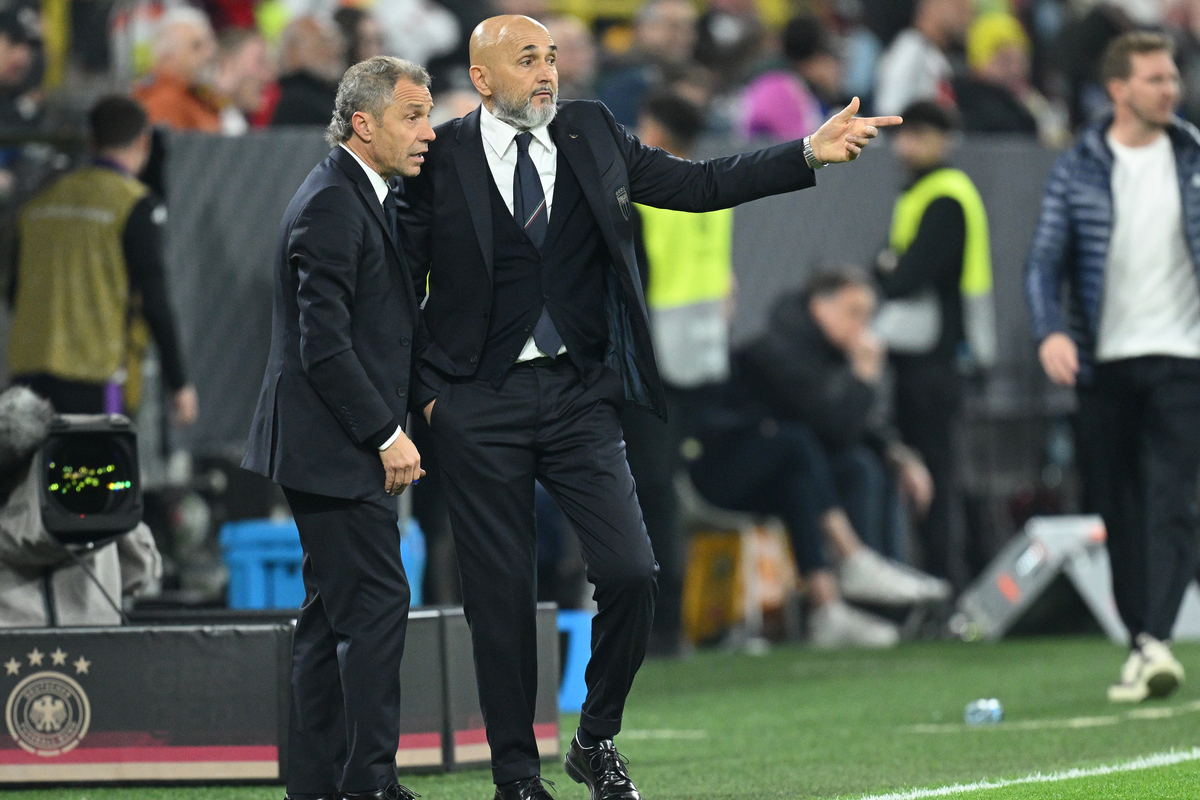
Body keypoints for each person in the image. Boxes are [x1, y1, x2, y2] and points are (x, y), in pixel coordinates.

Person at [401, 14, 900, 800]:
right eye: (526, 59)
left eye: (552, 57)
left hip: (578, 394)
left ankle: (594, 737)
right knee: (499, 598)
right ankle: (517, 779)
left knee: (633, 571)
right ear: (483, 74)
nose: (546, 72)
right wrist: (425, 397)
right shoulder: (439, 155)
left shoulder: (595, 130)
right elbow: (398, 282)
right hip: (477, 401)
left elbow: (697, 187)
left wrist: (806, 152)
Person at [241, 56, 434, 799]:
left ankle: (320, 785)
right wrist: (386, 435)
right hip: (334, 448)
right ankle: (371, 785)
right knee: (377, 606)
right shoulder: (331, 204)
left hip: (328, 445)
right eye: (411, 118)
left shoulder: (361, 194)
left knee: (331, 620)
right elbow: (325, 346)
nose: (427, 135)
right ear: (364, 123)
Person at [1026, 31, 1198, 703]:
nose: (1170, 90)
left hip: (1184, 356)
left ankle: (1154, 636)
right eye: (1155, 79)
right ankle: (1143, 641)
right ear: (1119, 88)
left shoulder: (1193, 158)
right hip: (1104, 363)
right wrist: (1049, 333)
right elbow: (1044, 261)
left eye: (1173, 78)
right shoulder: (1080, 165)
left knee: (1172, 499)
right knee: (1120, 508)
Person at [8, 95, 197, 423]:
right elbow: (154, 300)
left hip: (27, 375)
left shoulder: (40, 200)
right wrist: (179, 383)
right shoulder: (134, 204)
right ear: (143, 142)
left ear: (91, 141)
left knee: (34, 472)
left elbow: (13, 290)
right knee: (100, 472)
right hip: (94, 375)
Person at [622, 89, 729, 657]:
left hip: (655, 363)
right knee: (666, 491)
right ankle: (670, 622)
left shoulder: (650, 194)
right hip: (700, 360)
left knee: (652, 492)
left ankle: (661, 626)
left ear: (655, 131)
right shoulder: (711, 186)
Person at [737, 271, 938, 567]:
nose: (863, 327)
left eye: (868, 316)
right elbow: (837, 429)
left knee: (885, 468)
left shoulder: (831, 351)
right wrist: (864, 379)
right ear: (820, 307)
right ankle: (867, 582)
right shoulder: (780, 351)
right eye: (854, 313)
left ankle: (891, 575)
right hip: (762, 475)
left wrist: (900, 455)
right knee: (859, 468)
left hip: (808, 465)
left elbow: (862, 426)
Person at [874, 100, 991, 588]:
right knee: (938, 471)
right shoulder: (920, 193)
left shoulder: (944, 196)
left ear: (945, 139)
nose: (908, 143)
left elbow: (902, 277)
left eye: (921, 133)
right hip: (925, 357)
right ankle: (946, 576)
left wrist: (889, 266)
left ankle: (947, 580)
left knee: (938, 473)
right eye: (904, 134)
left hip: (935, 359)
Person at [739, 15, 843, 142]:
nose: (836, 71)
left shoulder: (802, 90)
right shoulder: (780, 90)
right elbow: (802, 151)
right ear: (818, 57)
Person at [596, 0, 699, 127]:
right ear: (643, 28)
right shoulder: (621, 77)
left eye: (690, 27)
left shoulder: (696, 76)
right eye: (674, 27)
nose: (685, 36)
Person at [874, 0, 972, 117]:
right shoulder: (909, 48)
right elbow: (888, 110)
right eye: (959, 7)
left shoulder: (935, 53)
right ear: (932, 4)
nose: (966, 16)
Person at [133, 6, 221, 132]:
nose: (209, 54)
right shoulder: (162, 103)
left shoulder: (199, 97)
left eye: (209, 44)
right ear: (168, 55)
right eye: (196, 46)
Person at [271, 16, 345, 126]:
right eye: (322, 42)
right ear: (293, 51)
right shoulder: (292, 103)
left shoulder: (331, 93)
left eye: (334, 42)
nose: (334, 50)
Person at [213, 27, 274, 135]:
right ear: (226, 65)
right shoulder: (199, 124)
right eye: (260, 62)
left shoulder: (235, 124)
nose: (268, 76)